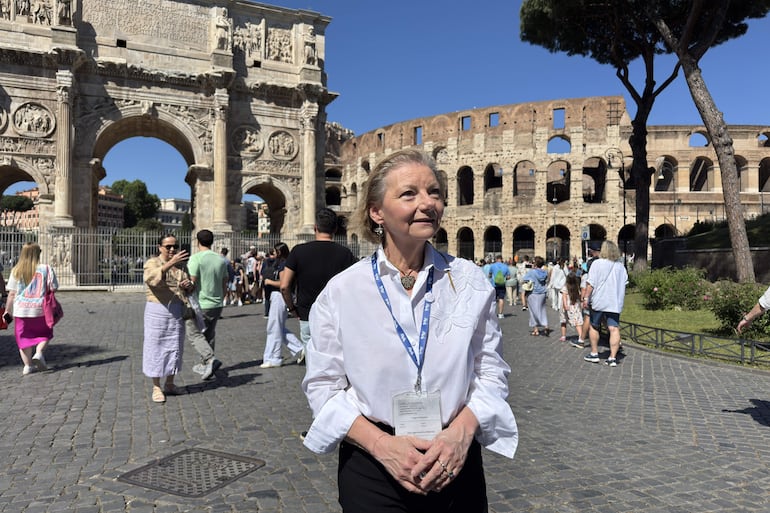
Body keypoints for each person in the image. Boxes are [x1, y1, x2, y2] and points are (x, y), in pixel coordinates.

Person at [302, 149, 518, 512]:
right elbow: (323, 386)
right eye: (409, 194)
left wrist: (462, 434)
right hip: (374, 462)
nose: (428, 203)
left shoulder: (469, 281)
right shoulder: (343, 291)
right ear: (376, 212)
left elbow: (491, 371)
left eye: (434, 192)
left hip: (453, 454)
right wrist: (381, 447)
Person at [280, 207, 356, 364]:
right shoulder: (345, 253)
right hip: (335, 314)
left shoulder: (298, 251)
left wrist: (292, 308)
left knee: (313, 361)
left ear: (315, 227)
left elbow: (284, 286)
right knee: (335, 358)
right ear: (335, 229)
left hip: (307, 313)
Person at [141, 234, 193, 403]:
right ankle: (156, 386)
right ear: (159, 247)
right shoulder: (152, 262)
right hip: (157, 310)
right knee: (155, 347)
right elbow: (151, 279)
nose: (172, 249)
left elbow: (189, 288)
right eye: (168, 246)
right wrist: (170, 263)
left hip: (176, 310)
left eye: (175, 246)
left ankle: (170, 383)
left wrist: (188, 286)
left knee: (174, 346)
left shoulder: (182, 266)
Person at [5, 242, 58, 376]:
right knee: (45, 333)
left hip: (21, 310)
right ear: (38, 254)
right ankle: (39, 353)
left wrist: (7, 311)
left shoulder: (16, 270)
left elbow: (11, 293)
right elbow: (54, 287)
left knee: (23, 338)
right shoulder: (46, 268)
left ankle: (27, 366)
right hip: (40, 309)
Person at [186, 229, 228, 380]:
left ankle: (210, 359)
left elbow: (192, 282)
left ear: (197, 242)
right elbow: (225, 283)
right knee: (209, 334)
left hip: (201, 303)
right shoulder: (220, 259)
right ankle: (206, 366)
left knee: (194, 333)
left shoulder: (196, 258)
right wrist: (221, 298)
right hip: (217, 303)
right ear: (212, 242)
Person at [582, 240, 628, 367]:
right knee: (614, 328)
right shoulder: (620, 267)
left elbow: (590, 283)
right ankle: (612, 358)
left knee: (594, 326)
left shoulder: (597, 264)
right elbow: (624, 284)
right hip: (614, 302)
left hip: (599, 300)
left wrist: (586, 298)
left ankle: (594, 353)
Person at [260, 242, 303, 368]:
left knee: (274, 327)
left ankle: (274, 357)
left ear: (279, 252)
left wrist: (269, 282)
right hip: (277, 296)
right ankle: (299, 348)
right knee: (277, 327)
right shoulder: (281, 263)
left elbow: (284, 284)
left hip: (279, 296)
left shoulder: (284, 265)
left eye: (274, 252)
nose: (272, 254)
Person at [522, 256, 550, 336]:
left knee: (533, 311)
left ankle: (536, 330)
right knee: (542, 310)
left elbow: (525, 279)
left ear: (535, 263)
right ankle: (546, 325)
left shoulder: (532, 272)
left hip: (533, 293)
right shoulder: (544, 272)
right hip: (542, 293)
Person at [560, 272, 583, 346]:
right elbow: (579, 296)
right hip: (575, 305)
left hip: (568, 305)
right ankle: (580, 335)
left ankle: (563, 336)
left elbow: (564, 297)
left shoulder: (565, 287)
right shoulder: (577, 287)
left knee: (563, 320)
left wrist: (565, 305)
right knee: (577, 321)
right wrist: (581, 302)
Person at [487, 254, 509, 319]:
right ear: (501, 259)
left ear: (496, 259)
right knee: (501, 299)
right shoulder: (505, 266)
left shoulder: (492, 266)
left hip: (494, 284)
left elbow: (490, 275)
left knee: (493, 300)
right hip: (502, 284)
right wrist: (504, 278)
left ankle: (492, 313)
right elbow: (508, 276)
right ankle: (500, 314)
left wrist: (491, 277)